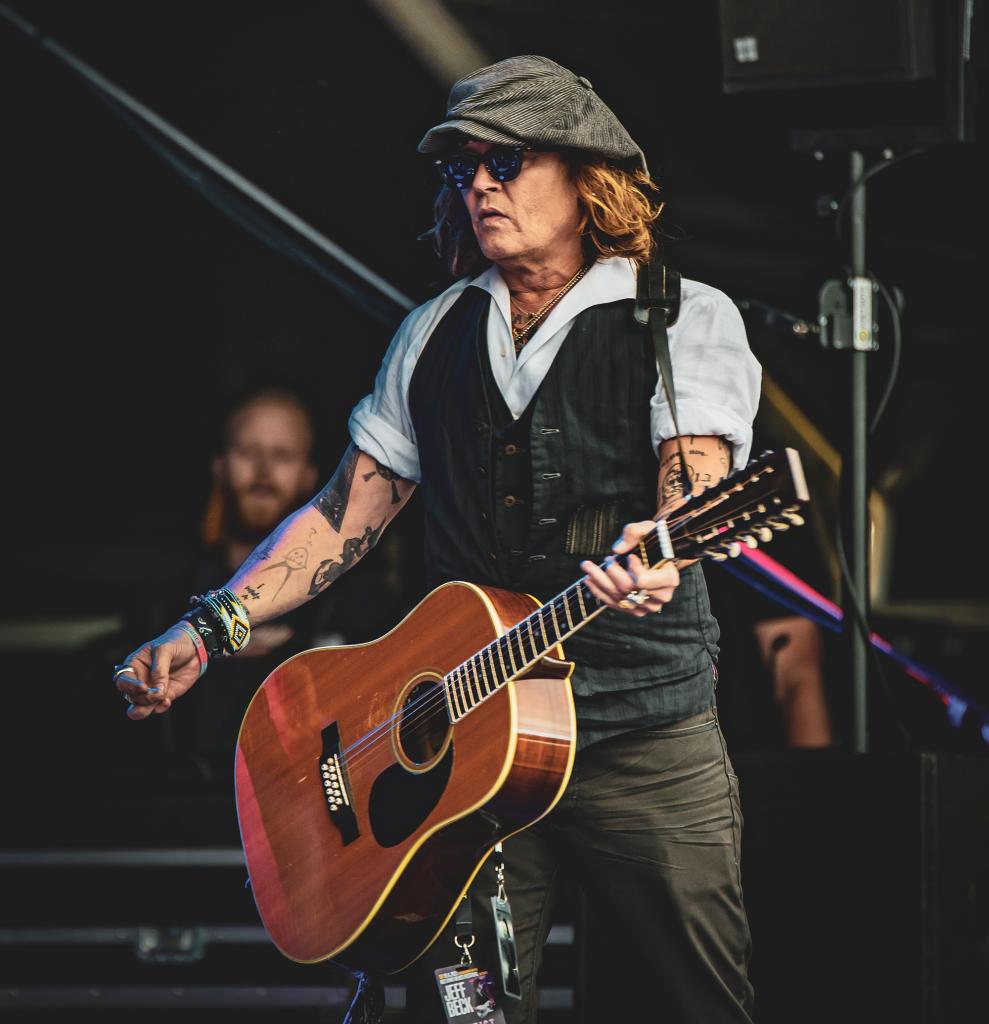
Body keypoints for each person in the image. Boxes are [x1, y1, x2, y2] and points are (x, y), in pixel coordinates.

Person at [114, 56, 761, 1023]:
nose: (480, 186)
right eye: (463, 170)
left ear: (587, 177)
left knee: (695, 1004)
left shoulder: (678, 316)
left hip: (641, 738)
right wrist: (210, 628)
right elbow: (341, 515)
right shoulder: (431, 335)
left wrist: (664, 546)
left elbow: (695, 475)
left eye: (507, 161)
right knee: (457, 1013)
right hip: (463, 751)